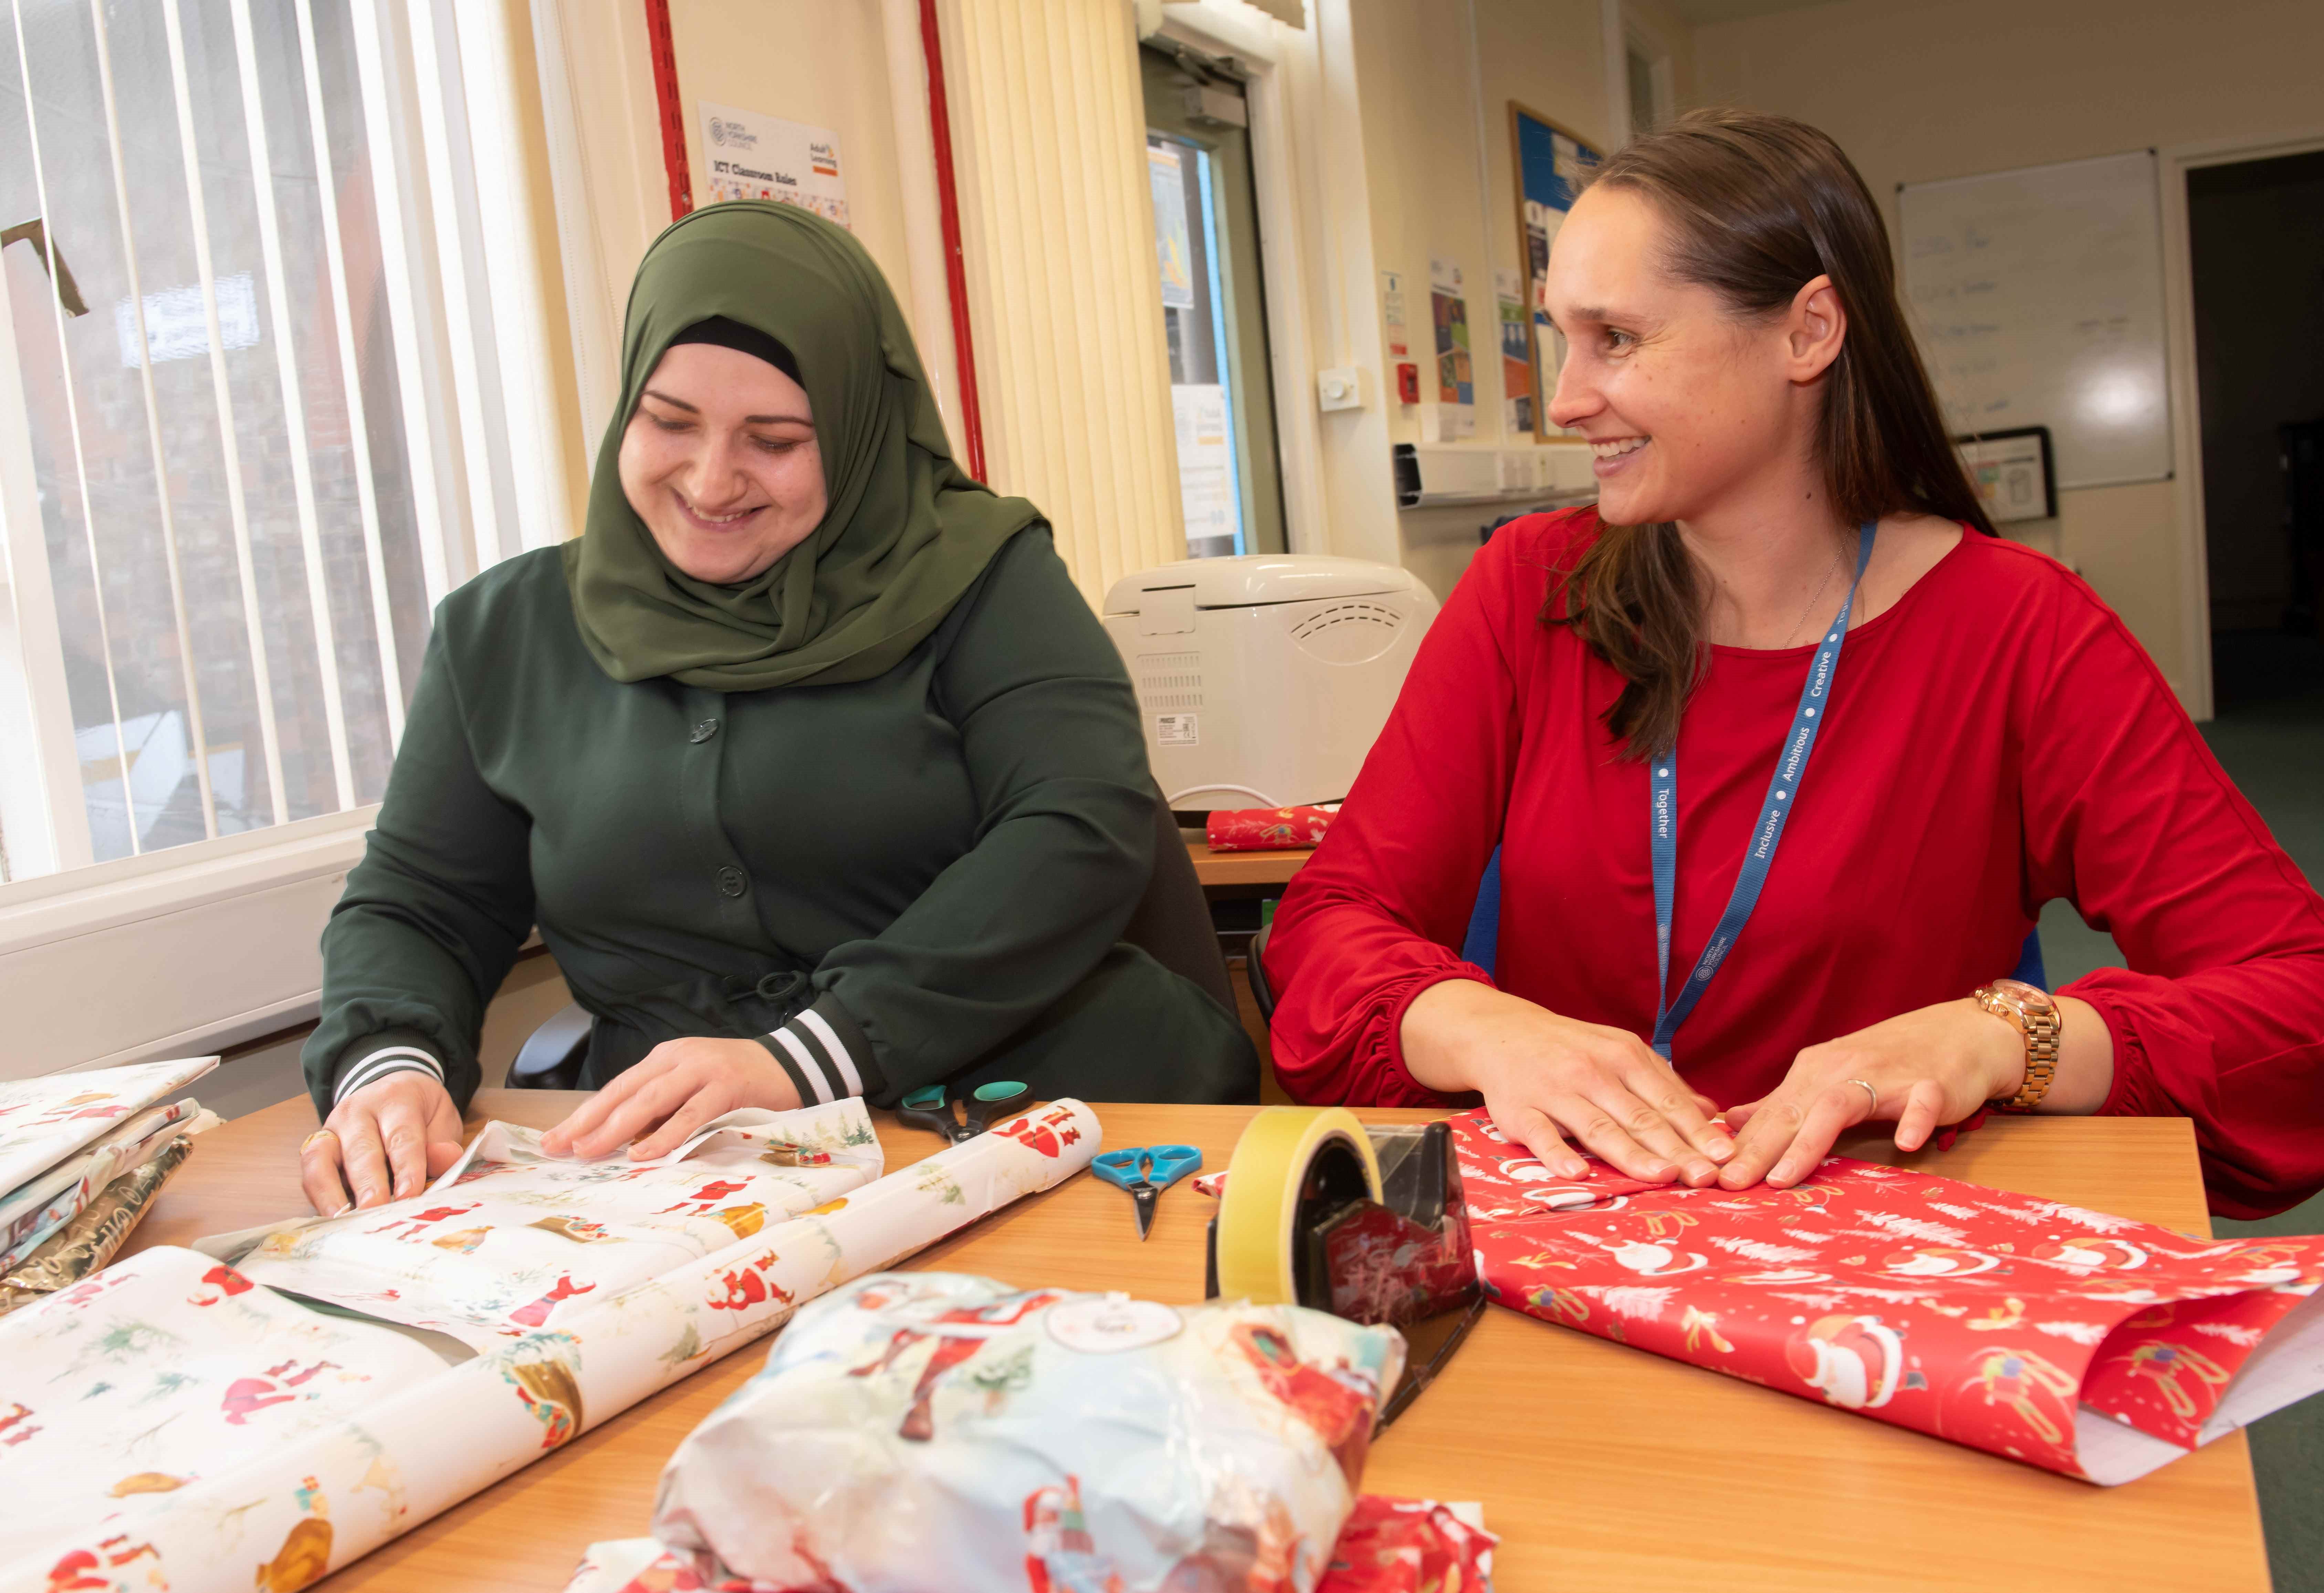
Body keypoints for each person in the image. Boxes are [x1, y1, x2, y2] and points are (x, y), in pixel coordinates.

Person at [1263, 110, 2324, 1219]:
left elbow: (2298, 1006)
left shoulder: (2020, 631)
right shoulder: (1530, 589)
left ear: (1808, 333)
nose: (1567, 398)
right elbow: (1327, 926)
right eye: (1558, 340)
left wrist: (2007, 1037)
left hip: (1870, 1264)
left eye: (1617, 339)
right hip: (1579, 1241)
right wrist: (1483, 1026)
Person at [297, 201, 1254, 1214]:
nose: (712, 479)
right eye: (669, 422)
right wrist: (389, 1066)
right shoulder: (505, 633)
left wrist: (811, 1054)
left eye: (776, 439)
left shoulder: (981, 576)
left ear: (853, 429)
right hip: (680, 1175)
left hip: (1035, 1112)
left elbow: (1077, 826)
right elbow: (420, 902)